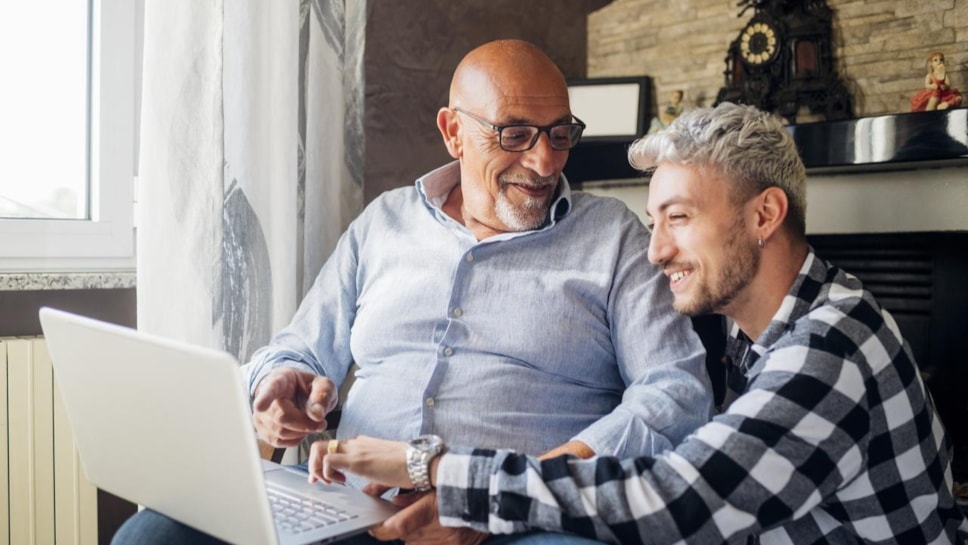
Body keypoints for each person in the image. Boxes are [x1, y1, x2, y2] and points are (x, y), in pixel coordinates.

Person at [111, 39, 713, 545]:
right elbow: (298, 347)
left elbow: (676, 393)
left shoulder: (614, 237)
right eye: (515, 134)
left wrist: (504, 492)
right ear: (453, 131)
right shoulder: (385, 222)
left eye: (560, 133)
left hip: (516, 519)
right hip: (348, 505)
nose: (544, 159)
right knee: (152, 535)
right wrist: (278, 382)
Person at [314, 102, 968, 544]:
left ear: (764, 216)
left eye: (678, 218)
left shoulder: (829, 349)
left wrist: (436, 469)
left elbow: (675, 498)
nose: (655, 251)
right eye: (653, 222)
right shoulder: (771, 322)